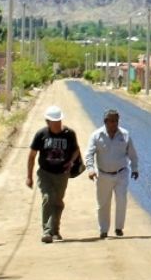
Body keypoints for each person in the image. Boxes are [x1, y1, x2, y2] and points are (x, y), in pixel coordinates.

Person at [26, 105, 80, 244]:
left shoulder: (69, 134)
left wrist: (71, 162)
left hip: (62, 175)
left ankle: (55, 230)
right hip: (45, 173)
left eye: (59, 121)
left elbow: (76, 150)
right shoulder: (41, 134)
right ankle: (47, 231)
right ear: (47, 122)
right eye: (54, 122)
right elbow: (32, 156)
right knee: (48, 198)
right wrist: (29, 176)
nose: (57, 124)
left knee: (57, 202)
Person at [85, 109, 139, 239]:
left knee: (121, 200)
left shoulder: (125, 135)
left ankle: (119, 228)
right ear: (105, 121)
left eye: (116, 120)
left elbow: (132, 154)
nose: (115, 123)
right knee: (103, 203)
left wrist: (135, 168)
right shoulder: (96, 135)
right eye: (112, 121)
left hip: (121, 173)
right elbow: (89, 154)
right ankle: (104, 230)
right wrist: (90, 169)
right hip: (103, 175)